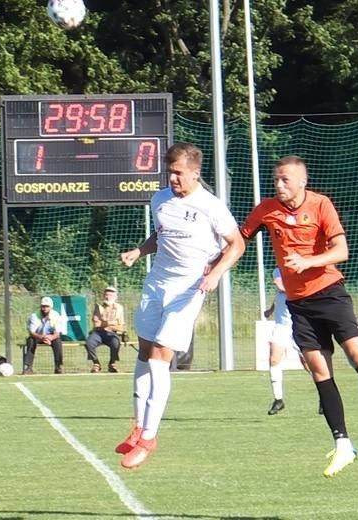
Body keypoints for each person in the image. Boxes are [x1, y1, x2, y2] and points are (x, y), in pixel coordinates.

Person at [240, 154, 358, 477]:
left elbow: (342, 252)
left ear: (302, 181)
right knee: (318, 371)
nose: (279, 185)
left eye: (285, 179)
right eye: (276, 179)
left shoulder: (320, 204)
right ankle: (343, 445)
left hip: (330, 294)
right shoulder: (266, 210)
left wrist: (309, 262)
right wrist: (213, 263)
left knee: (357, 354)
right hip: (299, 305)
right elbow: (239, 239)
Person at [116, 142, 245, 469]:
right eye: (169, 172)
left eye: (178, 173)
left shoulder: (211, 206)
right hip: (156, 283)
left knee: (161, 354)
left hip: (188, 288)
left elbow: (237, 244)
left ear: (195, 173)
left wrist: (216, 273)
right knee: (144, 351)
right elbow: (161, 236)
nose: (172, 178)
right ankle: (138, 427)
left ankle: (149, 438)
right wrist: (138, 252)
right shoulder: (159, 200)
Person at [263, 266, 304, 415]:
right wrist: (271, 310)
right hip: (281, 326)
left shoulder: (301, 268)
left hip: (297, 325)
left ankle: (323, 394)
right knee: (273, 359)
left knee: (307, 362)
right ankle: (278, 400)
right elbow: (279, 288)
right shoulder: (278, 270)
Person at [86, 286, 125, 373]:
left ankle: (112, 364)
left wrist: (106, 323)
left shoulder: (119, 308)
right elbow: (97, 324)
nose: (108, 297)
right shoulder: (99, 306)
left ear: (115, 297)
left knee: (116, 342)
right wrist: (111, 323)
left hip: (112, 333)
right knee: (89, 342)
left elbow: (121, 326)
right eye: (106, 295)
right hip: (98, 332)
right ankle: (96, 363)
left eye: (111, 295)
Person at [23, 296, 64, 375]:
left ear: (51, 307)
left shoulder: (56, 315)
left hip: (50, 337)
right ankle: (28, 367)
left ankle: (58, 366)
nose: (44, 308)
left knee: (58, 341)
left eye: (47, 306)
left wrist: (51, 338)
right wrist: (42, 337)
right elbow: (32, 332)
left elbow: (57, 333)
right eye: (43, 306)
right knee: (30, 341)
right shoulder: (34, 316)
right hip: (37, 336)